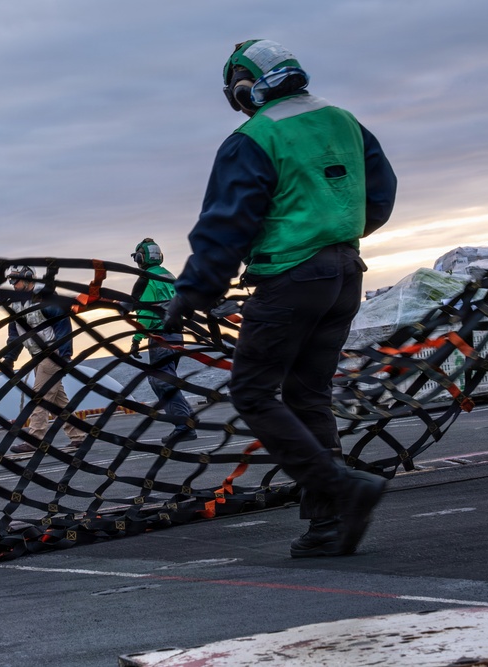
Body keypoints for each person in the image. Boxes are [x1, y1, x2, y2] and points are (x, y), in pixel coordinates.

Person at [164, 40, 397, 558]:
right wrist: (328, 230)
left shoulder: (253, 138)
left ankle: (342, 488)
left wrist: (195, 292)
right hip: (344, 272)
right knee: (308, 394)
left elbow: (226, 225)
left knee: (252, 392)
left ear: (244, 90)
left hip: (292, 280)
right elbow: (378, 200)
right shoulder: (346, 121)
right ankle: (328, 526)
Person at [0, 266, 88, 455]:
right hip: (36, 356)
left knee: (40, 395)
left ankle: (35, 439)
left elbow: (63, 323)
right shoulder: (16, 305)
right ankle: (78, 435)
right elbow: (15, 335)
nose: (13, 285)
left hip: (53, 352)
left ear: (29, 279)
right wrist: (9, 358)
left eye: (16, 280)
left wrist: (64, 354)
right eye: (11, 281)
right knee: (57, 400)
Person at [129, 238, 198, 445]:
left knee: (160, 379)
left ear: (142, 257)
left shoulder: (146, 278)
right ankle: (189, 418)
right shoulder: (169, 275)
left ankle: (183, 425)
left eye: (137, 257)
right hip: (177, 335)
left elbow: (146, 312)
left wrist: (136, 338)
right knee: (165, 378)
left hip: (161, 336)